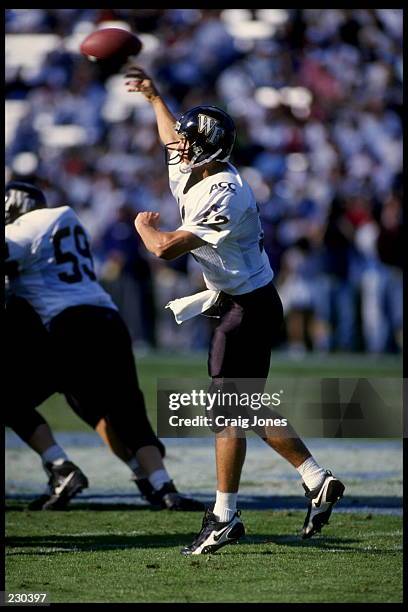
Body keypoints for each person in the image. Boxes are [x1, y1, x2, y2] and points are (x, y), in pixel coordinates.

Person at [125, 66, 345, 554]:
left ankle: (224, 516)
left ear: (204, 151)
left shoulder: (223, 191)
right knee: (245, 408)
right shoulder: (200, 166)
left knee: (228, 413)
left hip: (244, 308)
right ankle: (315, 477)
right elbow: (171, 139)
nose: (177, 147)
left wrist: (140, 227)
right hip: (249, 301)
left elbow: (163, 248)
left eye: (186, 141)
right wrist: (155, 96)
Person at [5, 180, 204, 512]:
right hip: (109, 321)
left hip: (67, 328)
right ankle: (160, 485)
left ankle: (59, 466)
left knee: (10, 397)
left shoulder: (26, 228)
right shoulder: (64, 222)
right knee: (122, 409)